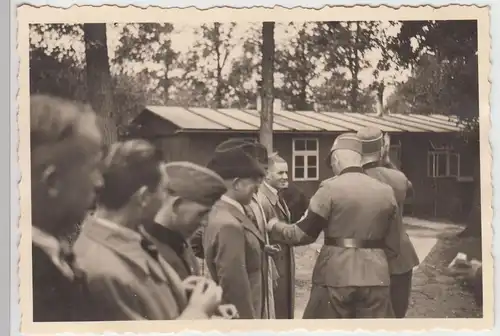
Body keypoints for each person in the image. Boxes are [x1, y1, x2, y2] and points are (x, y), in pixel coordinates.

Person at [73, 139, 222, 320]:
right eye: (165, 190)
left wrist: (177, 293)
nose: (168, 199)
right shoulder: (102, 270)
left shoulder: (130, 239)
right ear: (143, 197)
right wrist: (197, 312)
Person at [266, 133, 401, 319]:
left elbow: (302, 235)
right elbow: (394, 244)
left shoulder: (329, 188)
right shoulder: (386, 192)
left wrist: (275, 226)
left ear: (336, 159)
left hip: (335, 276)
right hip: (376, 278)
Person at [30, 95, 104, 322]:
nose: (99, 182)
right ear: (53, 182)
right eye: (93, 168)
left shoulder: (52, 257)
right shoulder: (29, 281)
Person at [357, 127, 420, 318]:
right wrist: (388, 161)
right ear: (382, 149)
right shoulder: (397, 178)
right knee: (396, 317)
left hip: (362, 260)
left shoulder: (350, 178)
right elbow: (409, 193)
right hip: (398, 260)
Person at [202, 140, 269, 319]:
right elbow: (234, 288)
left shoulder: (224, 212)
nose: (258, 187)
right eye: (254, 180)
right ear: (237, 183)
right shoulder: (229, 224)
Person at [141, 161, 227, 280]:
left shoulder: (182, 245)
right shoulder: (150, 252)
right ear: (177, 205)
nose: (205, 222)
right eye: (201, 214)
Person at [257, 153, 295, 319]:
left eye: (286, 172)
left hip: (282, 266)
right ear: (267, 174)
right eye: (280, 173)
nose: (286, 177)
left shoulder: (277, 196)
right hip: (273, 269)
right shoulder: (263, 200)